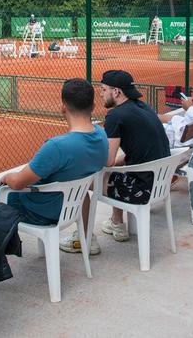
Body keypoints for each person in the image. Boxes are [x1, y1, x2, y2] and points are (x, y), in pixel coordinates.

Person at [0, 78, 107, 253]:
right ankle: (86, 238)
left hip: (40, 211)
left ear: (63, 107)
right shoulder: (102, 135)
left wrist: (7, 177)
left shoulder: (57, 146)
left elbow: (19, 183)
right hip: (72, 208)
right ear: (93, 106)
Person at [61, 70, 169, 250]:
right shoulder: (143, 107)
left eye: (103, 90)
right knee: (116, 170)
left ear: (116, 92)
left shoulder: (115, 115)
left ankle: (84, 238)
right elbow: (135, 152)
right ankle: (117, 223)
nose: (101, 94)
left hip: (140, 190)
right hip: (160, 183)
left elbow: (107, 160)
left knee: (80, 180)